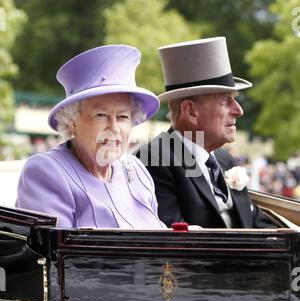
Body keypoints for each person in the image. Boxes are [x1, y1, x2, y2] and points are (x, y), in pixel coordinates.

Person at [16, 44, 166, 230]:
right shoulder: (46, 172)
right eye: (101, 115)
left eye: (123, 117)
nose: (114, 128)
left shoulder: (136, 171)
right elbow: (56, 255)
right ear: (72, 121)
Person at [136, 37, 275, 228]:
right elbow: (178, 244)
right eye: (226, 101)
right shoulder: (153, 160)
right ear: (190, 111)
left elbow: (256, 222)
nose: (239, 110)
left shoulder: (224, 159)